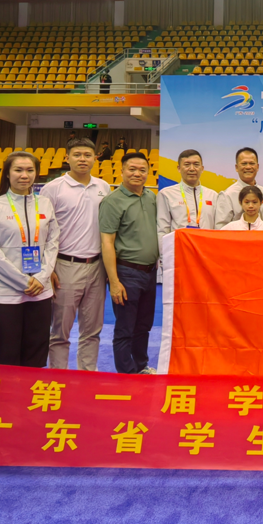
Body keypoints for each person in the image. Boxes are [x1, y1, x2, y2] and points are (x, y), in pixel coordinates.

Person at [0, 151, 60, 367]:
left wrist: (41, 277)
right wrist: (23, 281)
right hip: (4, 294)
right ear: (7, 174)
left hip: (40, 292)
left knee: (36, 358)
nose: (24, 175)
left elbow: (53, 242)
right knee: (6, 358)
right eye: (18, 170)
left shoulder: (45, 203)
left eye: (30, 170)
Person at [41, 137, 111, 372]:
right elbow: (44, 230)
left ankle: (87, 375)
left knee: (92, 330)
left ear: (95, 158)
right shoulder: (53, 188)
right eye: (77, 155)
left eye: (87, 155)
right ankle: (58, 376)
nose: (83, 159)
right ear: (67, 157)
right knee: (60, 330)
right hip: (65, 265)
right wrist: (49, 268)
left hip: (97, 266)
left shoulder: (103, 187)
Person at [100, 152, 160, 373]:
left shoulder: (152, 197)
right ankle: (126, 374)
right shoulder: (112, 201)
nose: (137, 173)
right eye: (132, 169)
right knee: (125, 328)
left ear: (148, 173)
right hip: (126, 272)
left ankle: (141, 366)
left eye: (142, 170)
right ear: (122, 171)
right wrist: (114, 281)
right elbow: (107, 242)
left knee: (144, 326)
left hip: (150, 273)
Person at [158, 149, 218, 237]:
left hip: (205, 244)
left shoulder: (213, 196)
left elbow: (218, 229)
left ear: (202, 169)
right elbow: (162, 230)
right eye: (187, 165)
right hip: (179, 245)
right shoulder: (166, 194)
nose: (192, 169)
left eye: (196, 164)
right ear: (179, 168)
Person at [215, 147, 263, 228]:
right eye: (244, 163)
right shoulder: (227, 195)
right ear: (236, 167)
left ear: (257, 167)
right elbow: (220, 229)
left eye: (252, 163)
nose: (248, 167)